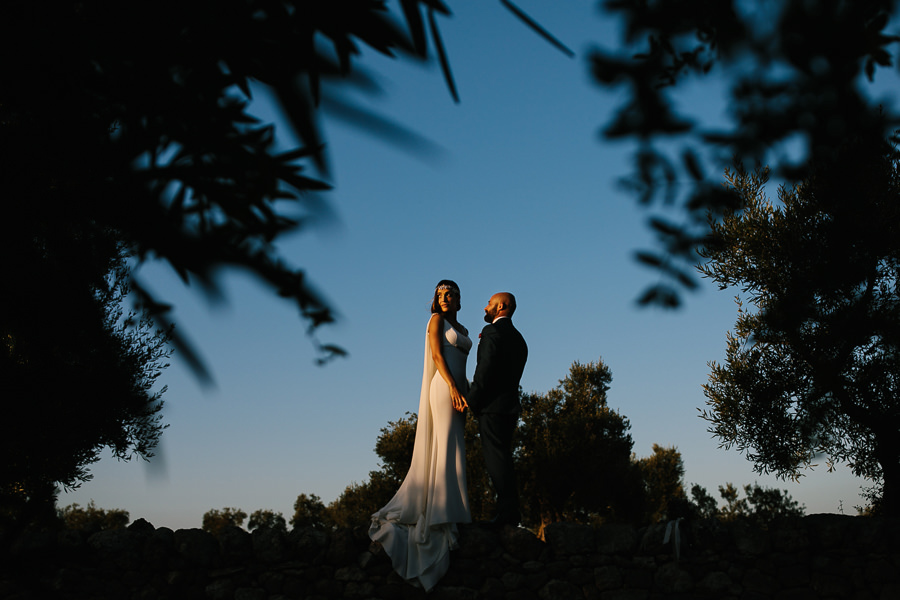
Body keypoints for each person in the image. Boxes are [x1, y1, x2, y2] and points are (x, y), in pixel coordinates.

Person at [369, 280, 472, 591]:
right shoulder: (436, 321)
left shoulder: (462, 326)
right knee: (444, 446)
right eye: (441, 294)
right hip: (443, 387)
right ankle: (439, 515)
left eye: (451, 294)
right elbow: (438, 356)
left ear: (458, 299)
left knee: (453, 446)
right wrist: (453, 387)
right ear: (435, 300)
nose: (445, 298)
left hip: (460, 388)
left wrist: (465, 389)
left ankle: (448, 510)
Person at [465, 292, 527, 528]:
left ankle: (507, 513)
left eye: (489, 304)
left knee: (496, 459)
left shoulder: (493, 332)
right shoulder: (520, 339)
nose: (485, 307)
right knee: (504, 458)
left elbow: (485, 370)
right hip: (510, 407)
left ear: (501, 306)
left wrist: (472, 400)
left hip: (491, 407)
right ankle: (510, 510)